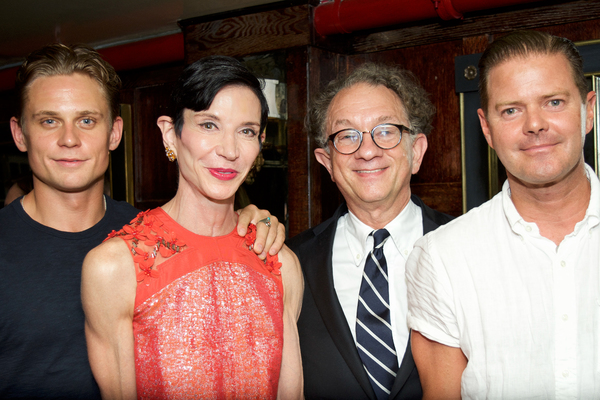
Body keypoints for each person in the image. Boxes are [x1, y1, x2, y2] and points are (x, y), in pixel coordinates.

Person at [0, 44, 285, 399]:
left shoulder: (147, 242)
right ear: (19, 134)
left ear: (115, 133)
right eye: (49, 121)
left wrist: (252, 224)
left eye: (87, 120)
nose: (69, 139)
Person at [82, 55, 304, 399]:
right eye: (209, 125)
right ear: (171, 134)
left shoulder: (279, 262)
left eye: (245, 131)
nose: (229, 150)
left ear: (260, 142)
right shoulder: (115, 267)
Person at [406, 30, 599, 399]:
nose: (535, 124)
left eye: (554, 102)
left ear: (588, 111)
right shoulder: (442, 257)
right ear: (486, 129)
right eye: (511, 110)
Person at [287, 63, 453, 399]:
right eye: (347, 135)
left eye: (386, 130)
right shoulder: (290, 262)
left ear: (416, 151)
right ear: (327, 162)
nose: (367, 150)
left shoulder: (468, 246)